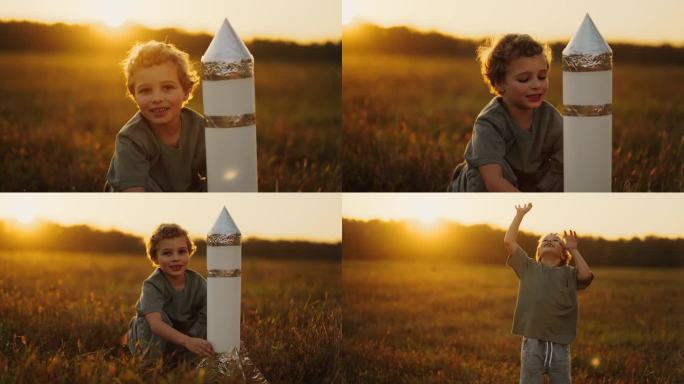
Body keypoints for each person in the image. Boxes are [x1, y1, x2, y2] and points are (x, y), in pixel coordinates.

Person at [449, 34, 563, 192]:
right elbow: (492, 181)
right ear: (499, 84)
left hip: (525, 185)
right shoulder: (489, 123)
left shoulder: (550, 118)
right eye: (524, 79)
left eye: (542, 76)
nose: (537, 85)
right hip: (481, 186)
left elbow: (567, 161)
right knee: (483, 173)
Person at [504, 203, 593, 383]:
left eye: (555, 241)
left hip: (560, 343)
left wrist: (574, 249)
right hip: (532, 342)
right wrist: (520, 214)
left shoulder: (569, 272)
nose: (549, 241)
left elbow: (586, 275)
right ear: (538, 252)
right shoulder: (528, 267)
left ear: (563, 254)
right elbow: (508, 241)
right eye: (545, 240)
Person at [106, 41, 207, 192]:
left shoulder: (198, 127)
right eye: (146, 90)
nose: (157, 98)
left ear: (185, 91)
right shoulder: (131, 139)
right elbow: (133, 195)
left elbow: (219, 173)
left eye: (167, 88)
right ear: (134, 95)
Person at [127, 223, 214, 362]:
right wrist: (187, 341)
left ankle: (187, 360)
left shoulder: (198, 282)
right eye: (167, 253)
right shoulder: (152, 285)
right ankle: (151, 365)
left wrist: (228, 341)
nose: (176, 258)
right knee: (154, 318)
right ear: (155, 258)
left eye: (182, 251)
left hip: (186, 338)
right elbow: (155, 324)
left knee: (211, 312)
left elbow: (213, 314)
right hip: (154, 338)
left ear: (189, 253)